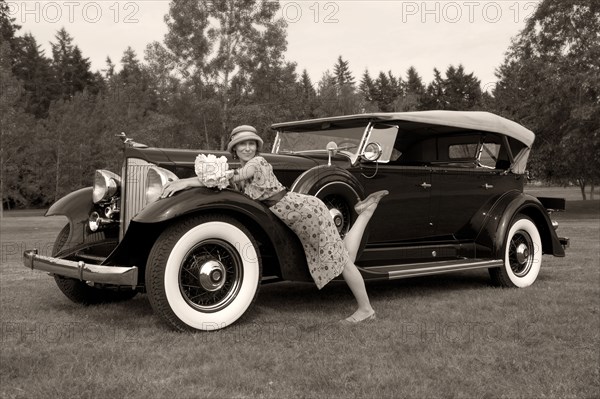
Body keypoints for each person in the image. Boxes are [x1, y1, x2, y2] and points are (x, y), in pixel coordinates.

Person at [161, 125, 388, 323]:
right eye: (243, 144)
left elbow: (230, 178)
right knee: (344, 257)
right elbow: (224, 186)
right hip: (298, 213)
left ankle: (366, 310)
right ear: (234, 148)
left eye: (251, 143)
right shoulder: (245, 169)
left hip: (305, 212)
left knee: (344, 261)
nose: (248, 148)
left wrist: (187, 181)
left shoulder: (257, 163)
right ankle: (365, 213)